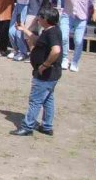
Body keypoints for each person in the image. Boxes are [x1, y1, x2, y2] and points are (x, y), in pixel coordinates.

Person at [40, 0, 96, 73]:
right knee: (63, 37)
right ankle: (64, 59)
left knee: (78, 41)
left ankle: (75, 62)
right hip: (67, 15)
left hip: (81, 18)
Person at [11, 8, 62, 136]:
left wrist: (44, 65)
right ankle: (46, 126)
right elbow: (37, 40)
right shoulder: (50, 30)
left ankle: (27, 127)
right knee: (48, 99)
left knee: (35, 100)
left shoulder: (51, 33)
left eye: (40, 17)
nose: (38, 19)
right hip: (51, 74)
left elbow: (56, 50)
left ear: (46, 19)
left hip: (45, 74)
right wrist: (24, 30)